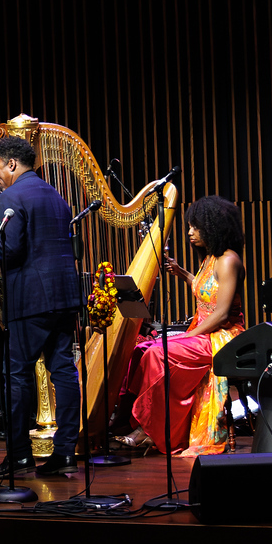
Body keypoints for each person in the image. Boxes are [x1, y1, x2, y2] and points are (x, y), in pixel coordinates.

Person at [0, 136, 82, 477]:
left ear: (12, 164)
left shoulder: (13, 196)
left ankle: (19, 456)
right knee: (63, 371)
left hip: (31, 300)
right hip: (64, 297)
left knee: (15, 376)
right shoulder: (56, 196)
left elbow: (9, 250)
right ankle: (64, 453)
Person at [114, 195, 246, 455]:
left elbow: (220, 315)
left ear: (213, 226)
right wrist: (184, 274)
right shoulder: (209, 258)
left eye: (195, 226)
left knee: (157, 352)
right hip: (205, 331)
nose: (189, 232)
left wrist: (187, 337)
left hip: (223, 337)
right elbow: (206, 290)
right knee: (141, 348)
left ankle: (150, 429)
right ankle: (137, 421)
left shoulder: (229, 260)